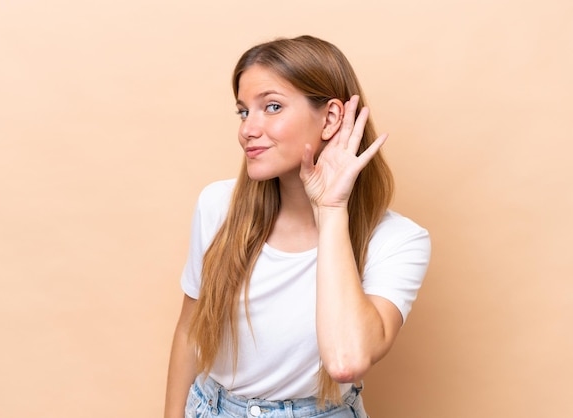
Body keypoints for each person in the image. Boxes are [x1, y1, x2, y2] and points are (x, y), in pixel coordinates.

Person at [164, 35, 431, 418]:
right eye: (243, 112)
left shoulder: (399, 241)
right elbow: (190, 331)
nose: (248, 130)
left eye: (272, 107)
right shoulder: (216, 206)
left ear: (332, 118)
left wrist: (332, 208)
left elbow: (346, 361)